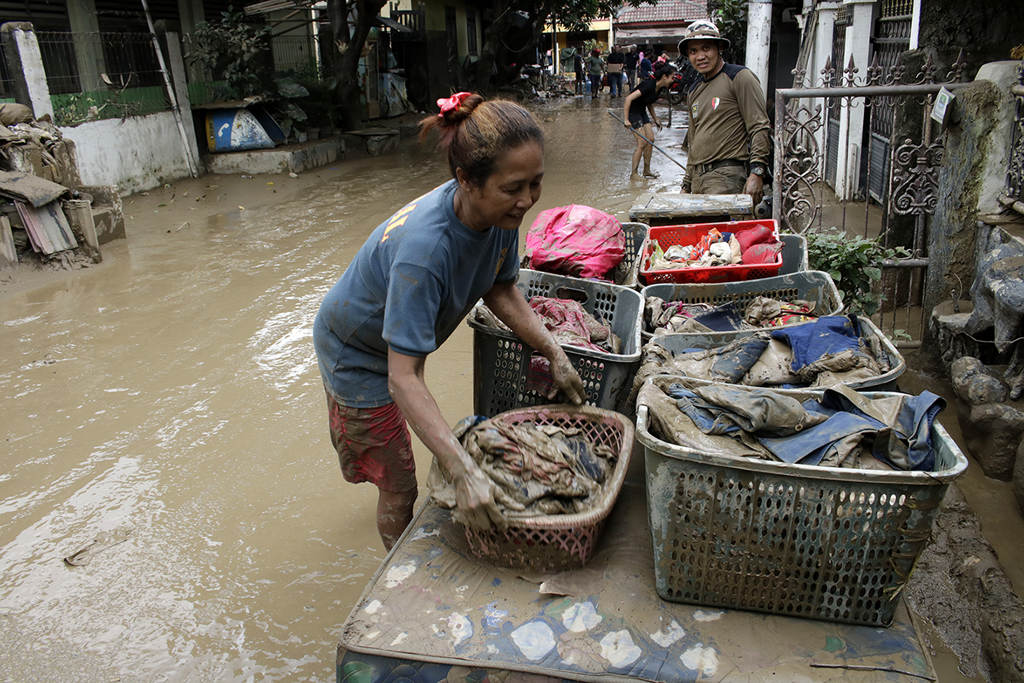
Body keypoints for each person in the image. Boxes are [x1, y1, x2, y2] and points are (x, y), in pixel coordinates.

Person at [313, 93, 586, 550]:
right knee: (400, 483)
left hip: (393, 348)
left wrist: (552, 350)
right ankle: (396, 563)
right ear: (465, 180)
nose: (527, 200)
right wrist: (462, 471)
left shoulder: (498, 216)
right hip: (357, 355)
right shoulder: (424, 254)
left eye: (535, 183)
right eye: (513, 188)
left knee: (412, 455)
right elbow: (403, 378)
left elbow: (499, 288)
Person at [678, 20, 771, 207]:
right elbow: (693, 142)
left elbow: (759, 126)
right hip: (698, 180)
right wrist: (686, 184)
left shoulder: (739, 77)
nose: (700, 56)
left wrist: (757, 172)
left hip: (727, 177)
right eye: (693, 51)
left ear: (719, 48)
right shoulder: (694, 90)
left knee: (723, 226)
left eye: (706, 48)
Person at [622, 63, 677, 178]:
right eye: (672, 77)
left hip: (641, 111)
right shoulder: (648, 85)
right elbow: (628, 99)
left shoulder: (660, 88)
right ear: (664, 77)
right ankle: (634, 174)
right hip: (633, 112)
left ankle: (646, 171)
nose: (673, 80)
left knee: (650, 139)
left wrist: (655, 119)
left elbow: (649, 102)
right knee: (642, 142)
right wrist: (626, 119)